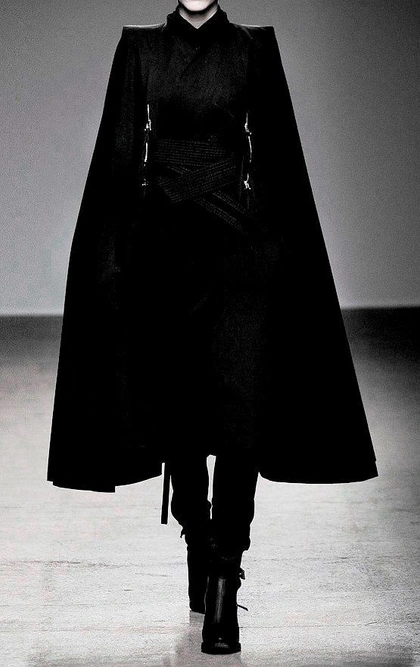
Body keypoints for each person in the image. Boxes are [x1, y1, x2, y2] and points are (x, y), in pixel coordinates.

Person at [47, 0, 378, 655]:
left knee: (240, 416)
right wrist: (109, 262)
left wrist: (283, 257)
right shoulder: (140, 48)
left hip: (240, 255)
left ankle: (226, 573)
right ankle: (198, 539)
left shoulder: (254, 47)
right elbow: (118, 157)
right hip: (163, 258)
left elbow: (280, 157)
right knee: (179, 416)